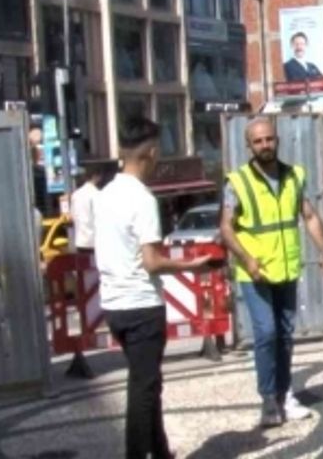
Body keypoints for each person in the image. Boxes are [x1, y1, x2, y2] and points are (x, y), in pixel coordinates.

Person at [94, 118, 214, 459]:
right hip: (142, 305)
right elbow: (152, 262)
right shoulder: (143, 199)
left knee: (147, 382)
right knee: (143, 389)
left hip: (113, 304)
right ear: (150, 153)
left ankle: (160, 452)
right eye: (159, 151)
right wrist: (192, 266)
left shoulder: (104, 195)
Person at [219, 116, 323, 428]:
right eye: (258, 141)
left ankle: (285, 394)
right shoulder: (237, 182)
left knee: (285, 335)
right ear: (249, 145)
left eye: (269, 139)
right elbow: (226, 228)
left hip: (286, 269)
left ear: (277, 140)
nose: (265, 145)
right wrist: (246, 259)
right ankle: (268, 399)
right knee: (266, 332)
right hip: (256, 272)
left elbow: (309, 216)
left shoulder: (293, 176)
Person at [70, 164, 103, 253]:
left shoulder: (76, 195)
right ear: (96, 176)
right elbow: (101, 218)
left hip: (80, 241)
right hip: (94, 242)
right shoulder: (97, 194)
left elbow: (72, 217)